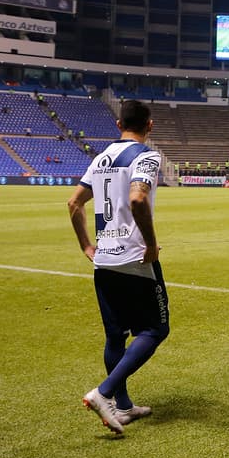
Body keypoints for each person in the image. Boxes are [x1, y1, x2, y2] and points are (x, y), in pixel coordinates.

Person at [66, 100, 167, 435]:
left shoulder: (101, 158)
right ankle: (104, 392)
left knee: (115, 334)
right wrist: (151, 244)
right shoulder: (147, 156)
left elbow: (74, 202)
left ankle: (122, 407)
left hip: (104, 258)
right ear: (149, 126)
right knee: (154, 330)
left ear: (118, 123)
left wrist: (86, 245)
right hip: (134, 257)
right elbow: (138, 198)